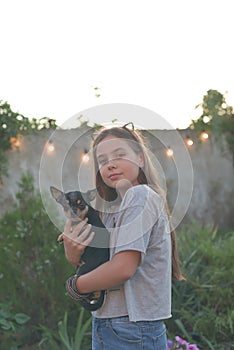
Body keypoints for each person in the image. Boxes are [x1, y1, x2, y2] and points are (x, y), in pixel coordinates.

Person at [62, 123, 184, 350]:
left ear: (140, 158)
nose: (111, 164)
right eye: (103, 160)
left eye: (119, 155)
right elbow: (100, 266)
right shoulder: (111, 211)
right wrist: (73, 255)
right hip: (110, 322)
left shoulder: (140, 196)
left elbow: (122, 269)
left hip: (130, 327)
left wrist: (75, 286)